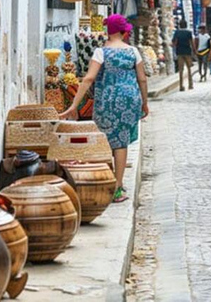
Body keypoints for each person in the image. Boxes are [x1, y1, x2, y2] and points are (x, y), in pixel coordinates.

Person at [61, 14, 149, 203]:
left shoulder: (101, 52)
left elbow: (88, 79)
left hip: (107, 100)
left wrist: (74, 105)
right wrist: (144, 102)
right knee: (121, 142)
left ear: (109, 32)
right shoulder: (133, 52)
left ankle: (104, 182)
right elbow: (142, 78)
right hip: (130, 99)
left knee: (105, 140)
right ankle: (118, 188)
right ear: (124, 32)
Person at [172, 19, 194, 91]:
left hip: (179, 52)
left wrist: (172, 46)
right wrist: (194, 51)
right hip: (187, 52)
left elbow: (174, 43)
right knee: (189, 69)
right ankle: (190, 85)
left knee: (181, 70)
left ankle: (181, 86)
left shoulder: (177, 32)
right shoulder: (189, 33)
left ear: (179, 25)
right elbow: (191, 43)